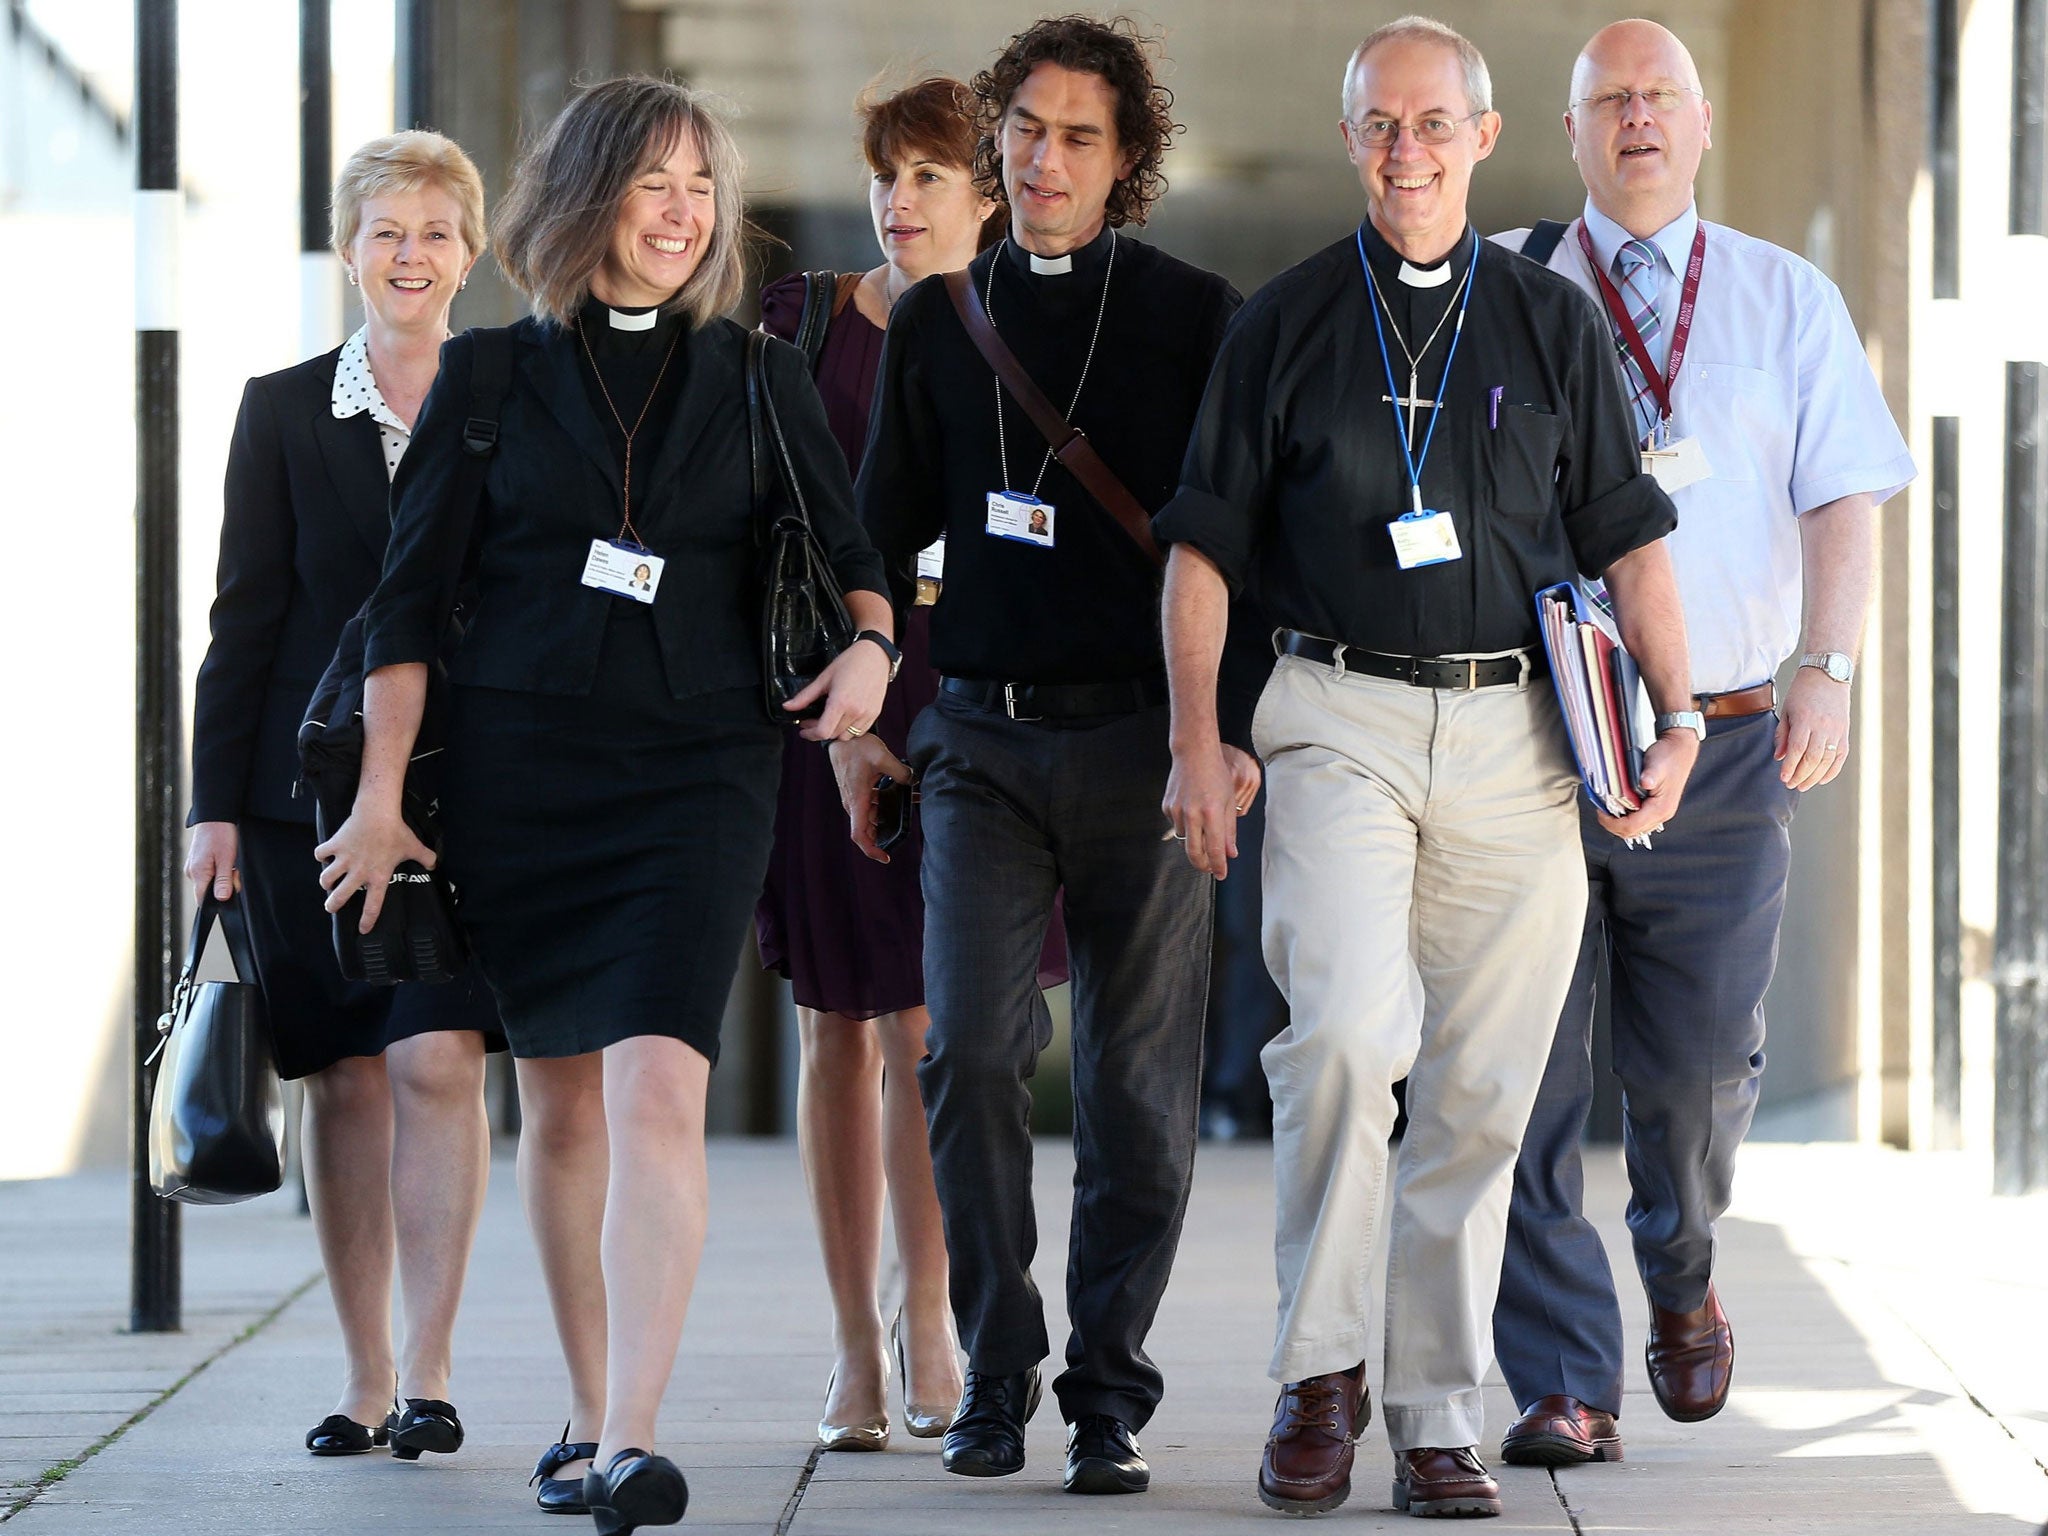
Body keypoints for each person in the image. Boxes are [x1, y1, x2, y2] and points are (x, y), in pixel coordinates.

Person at [317, 78, 893, 1534]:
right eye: (651, 184)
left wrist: (876, 652)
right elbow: (402, 609)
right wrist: (383, 800)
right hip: (521, 776)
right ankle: (585, 1416)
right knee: (560, 1101)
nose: (682, 212)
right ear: (584, 204)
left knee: (657, 1084)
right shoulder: (494, 378)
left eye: (700, 185)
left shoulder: (758, 379)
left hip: (700, 775)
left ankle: (634, 1433)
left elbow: (848, 554)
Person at [1156, 16, 1698, 1520]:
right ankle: (1321, 1372)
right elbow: (1203, 548)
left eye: (1431, 125)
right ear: (1352, 143)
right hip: (1337, 715)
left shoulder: (1549, 321)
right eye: (1379, 128)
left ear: (1480, 133)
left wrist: (1678, 715)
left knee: (1479, 1094)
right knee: (1338, 1034)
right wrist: (1200, 736)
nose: (1406, 152)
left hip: (1520, 734)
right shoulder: (1280, 324)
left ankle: (1437, 1410)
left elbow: (1629, 537)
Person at [1487, 19, 1915, 1467]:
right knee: (1530, 1076)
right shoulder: (1507, 289)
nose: (1636, 118)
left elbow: (1844, 497)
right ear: (1571, 134)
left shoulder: (1786, 299)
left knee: (1693, 1074)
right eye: (1607, 100)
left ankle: (1679, 1269)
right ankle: (1562, 1379)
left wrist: (1831, 669)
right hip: (1530, 749)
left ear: (1704, 120)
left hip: (1726, 745)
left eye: (1658, 94)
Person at [841, 13, 1252, 1496]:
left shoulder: (1198, 314)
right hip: (983, 747)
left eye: (1079, 135)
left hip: (1148, 746)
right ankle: (997, 1367)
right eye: (1024, 129)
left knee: (1140, 1089)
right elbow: (875, 536)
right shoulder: (942, 322)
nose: (1044, 159)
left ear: (1126, 159)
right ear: (996, 138)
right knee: (970, 1055)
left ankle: (1109, 1391)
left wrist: (1225, 737)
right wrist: (867, 707)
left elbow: (1233, 540)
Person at [184, 130, 502, 1463]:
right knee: (346, 1084)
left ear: (471, 252)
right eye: (386, 232)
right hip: (292, 804)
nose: (410, 256)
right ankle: (367, 1374)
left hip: (458, 799)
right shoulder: (279, 407)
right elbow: (242, 621)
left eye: (434, 232)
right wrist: (211, 811)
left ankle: (431, 1369)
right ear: (347, 251)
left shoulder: (514, 403)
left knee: (438, 1061)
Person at [749, 75, 999, 1454]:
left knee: (932, 1032)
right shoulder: (798, 328)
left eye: (927, 178)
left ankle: (934, 1310)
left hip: (967, 716)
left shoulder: (1014, 328)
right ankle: (854, 1347)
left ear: (985, 198)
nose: (898, 203)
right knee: (840, 1028)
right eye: (884, 177)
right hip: (820, 715)